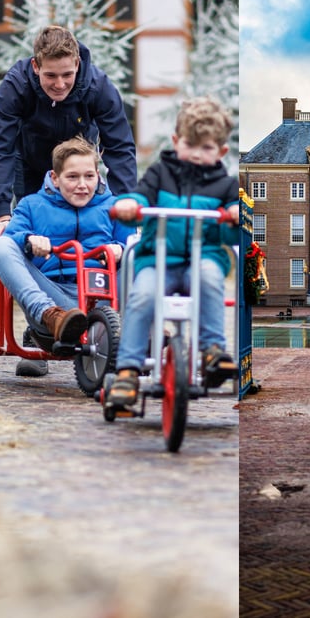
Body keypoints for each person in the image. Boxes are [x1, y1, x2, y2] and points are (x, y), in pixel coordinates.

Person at [107, 97, 239, 407]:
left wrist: (235, 213)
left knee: (209, 278)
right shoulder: (160, 174)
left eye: (206, 148)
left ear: (221, 151)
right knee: (141, 295)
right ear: (176, 141)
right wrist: (130, 204)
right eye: (190, 144)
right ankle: (128, 369)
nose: (196, 154)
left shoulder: (225, 185)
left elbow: (232, 227)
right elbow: (139, 196)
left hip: (202, 259)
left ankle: (212, 351)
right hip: (158, 260)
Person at [0, 25, 137, 239]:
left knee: (85, 234)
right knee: (33, 235)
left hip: (78, 168)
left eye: (67, 74)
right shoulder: (16, 85)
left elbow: (119, 147)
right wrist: (2, 215)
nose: (60, 84)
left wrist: (124, 204)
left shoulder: (98, 86)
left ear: (77, 63)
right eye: (51, 75)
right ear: (36, 66)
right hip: (31, 167)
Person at [0, 136, 129, 348]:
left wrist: (122, 250)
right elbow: (12, 237)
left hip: (105, 299)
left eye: (89, 176)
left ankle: (142, 327)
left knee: (142, 253)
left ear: (98, 176)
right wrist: (29, 240)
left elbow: (136, 245)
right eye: (72, 177)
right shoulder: (31, 205)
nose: (82, 185)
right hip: (55, 298)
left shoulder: (116, 207)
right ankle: (47, 314)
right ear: (54, 178)